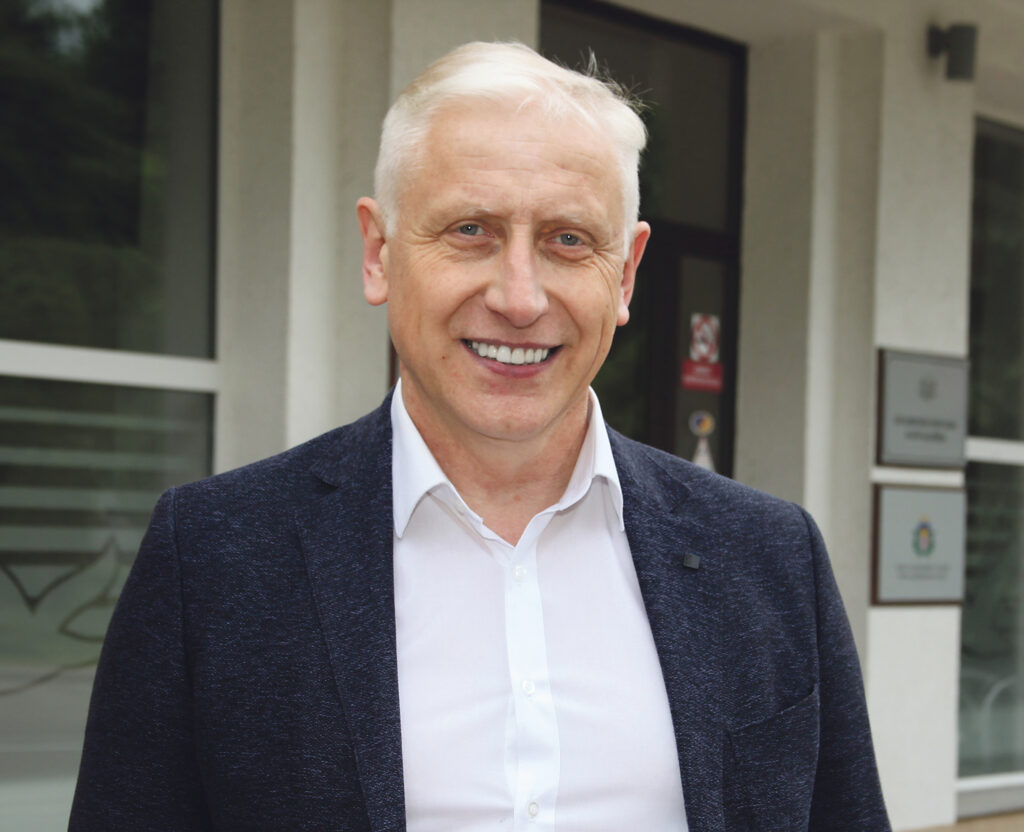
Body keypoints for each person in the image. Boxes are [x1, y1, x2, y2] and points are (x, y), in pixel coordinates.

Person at [70, 42, 890, 831]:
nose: (519, 298)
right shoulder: (212, 556)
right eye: (471, 230)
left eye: (568, 240)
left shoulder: (769, 556)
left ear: (626, 273)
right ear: (378, 253)